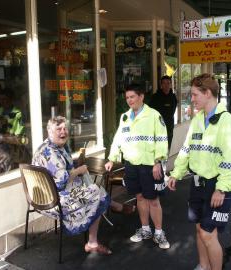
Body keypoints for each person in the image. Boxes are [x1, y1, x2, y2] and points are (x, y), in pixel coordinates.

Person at [167, 73, 231, 270]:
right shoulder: (198, 120)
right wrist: (176, 173)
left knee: (209, 234)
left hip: (217, 186)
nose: (191, 99)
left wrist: (222, 189)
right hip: (198, 184)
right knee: (199, 229)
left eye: (194, 95)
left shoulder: (227, 122)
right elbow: (186, 150)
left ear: (207, 93)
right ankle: (203, 266)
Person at [32, 116, 133, 255]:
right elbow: (62, 180)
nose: (63, 131)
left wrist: (76, 165)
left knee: (94, 189)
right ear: (49, 131)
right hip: (54, 199)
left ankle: (114, 208)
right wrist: (79, 170)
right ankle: (94, 239)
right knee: (97, 193)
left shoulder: (52, 146)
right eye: (58, 129)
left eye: (65, 128)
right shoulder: (51, 152)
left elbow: (62, 168)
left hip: (43, 195)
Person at [105, 83, 170, 249]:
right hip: (132, 165)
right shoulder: (125, 117)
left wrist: (158, 162)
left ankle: (159, 232)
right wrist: (112, 158)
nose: (129, 100)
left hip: (150, 166)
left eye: (132, 97)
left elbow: (162, 139)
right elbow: (118, 139)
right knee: (140, 197)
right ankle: (145, 229)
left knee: (153, 200)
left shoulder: (154, 116)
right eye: (127, 97)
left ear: (141, 97)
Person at [149, 75, 178, 149]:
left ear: (170, 84)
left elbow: (173, 111)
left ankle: (165, 160)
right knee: (158, 150)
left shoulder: (173, 97)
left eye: (168, 83)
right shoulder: (155, 97)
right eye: (164, 83)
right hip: (157, 128)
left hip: (169, 128)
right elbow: (150, 112)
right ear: (161, 85)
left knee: (167, 149)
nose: (166, 85)